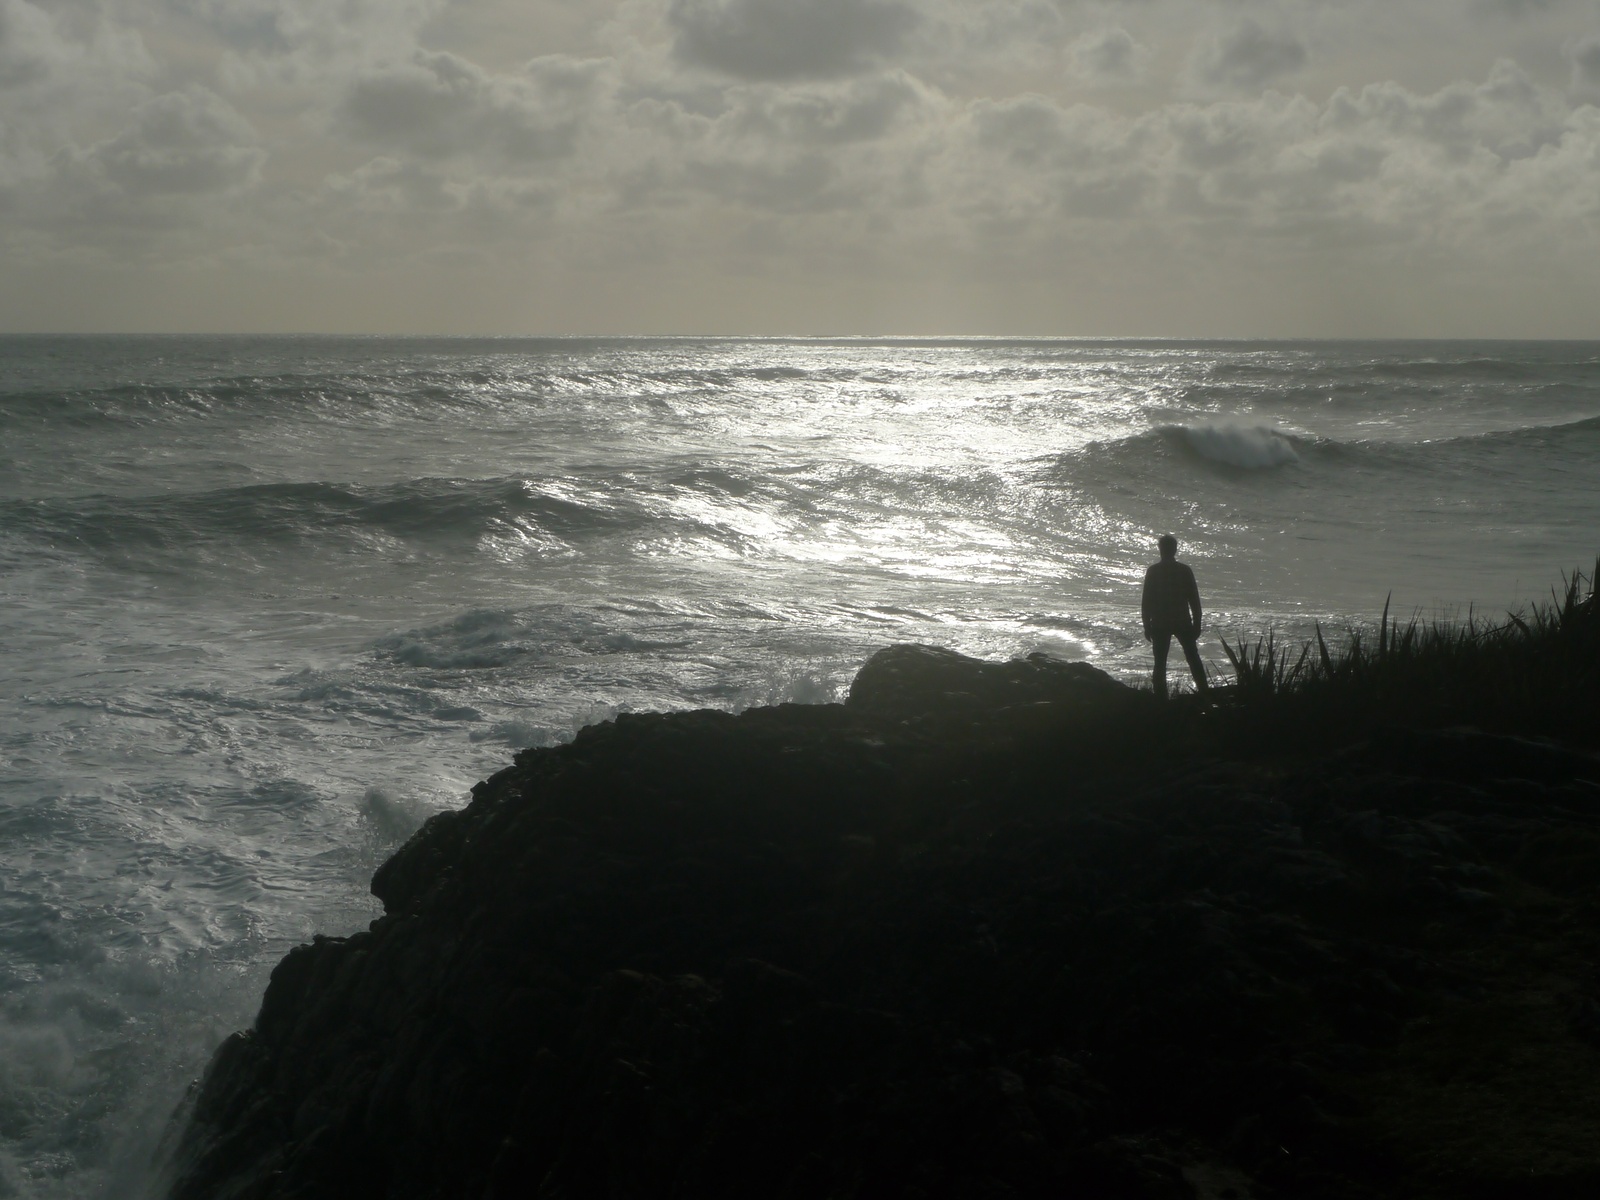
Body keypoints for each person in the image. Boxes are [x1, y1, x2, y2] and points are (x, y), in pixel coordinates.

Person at [1141, 534, 1208, 700]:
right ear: (1175, 550)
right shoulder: (1184, 570)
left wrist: (1146, 624)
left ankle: (1160, 699)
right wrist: (1197, 622)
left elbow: (1146, 601)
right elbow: (1194, 600)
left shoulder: (1154, 571)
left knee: (1160, 663)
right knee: (1193, 657)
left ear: (1160, 549)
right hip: (1182, 620)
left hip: (1160, 622)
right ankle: (1204, 692)